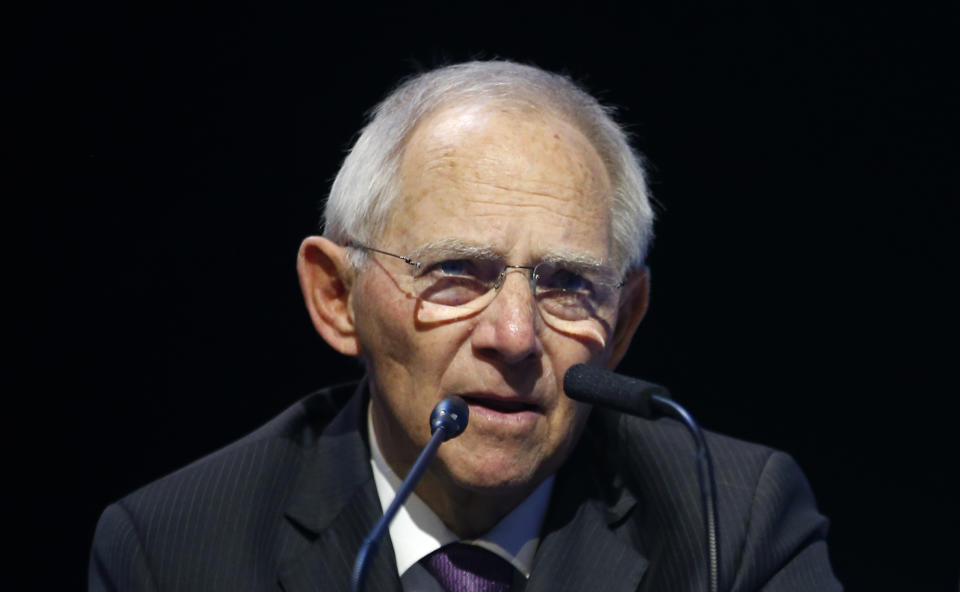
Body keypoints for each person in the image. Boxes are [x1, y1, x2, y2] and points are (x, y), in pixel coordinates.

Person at [89, 61, 842, 591]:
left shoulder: (733, 522)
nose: (514, 337)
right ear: (334, 297)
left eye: (568, 284)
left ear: (625, 321)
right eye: (455, 274)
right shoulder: (174, 550)